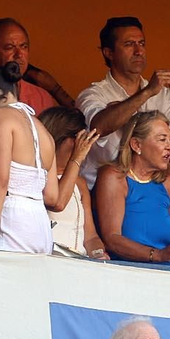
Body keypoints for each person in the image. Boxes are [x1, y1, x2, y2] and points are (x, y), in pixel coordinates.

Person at [0, 63, 92, 267]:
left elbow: (0, 181)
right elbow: (52, 197)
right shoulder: (43, 132)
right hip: (39, 226)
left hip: (8, 221)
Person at [75, 17, 170, 184]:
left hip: (150, 189)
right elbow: (98, 128)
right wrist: (147, 93)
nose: (139, 51)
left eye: (142, 43)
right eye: (129, 44)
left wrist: (133, 126)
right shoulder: (92, 95)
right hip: (99, 192)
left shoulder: (164, 96)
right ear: (108, 53)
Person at [93, 110, 170, 264]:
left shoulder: (169, 180)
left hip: (169, 270)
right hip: (129, 271)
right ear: (136, 145)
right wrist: (157, 255)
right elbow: (112, 238)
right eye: (162, 139)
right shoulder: (113, 176)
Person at [37, 107, 108, 257]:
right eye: (79, 138)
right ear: (59, 137)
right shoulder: (36, 176)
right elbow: (58, 202)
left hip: (78, 264)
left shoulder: (80, 184)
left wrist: (98, 253)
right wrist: (76, 158)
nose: (83, 144)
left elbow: (90, 237)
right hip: (48, 260)